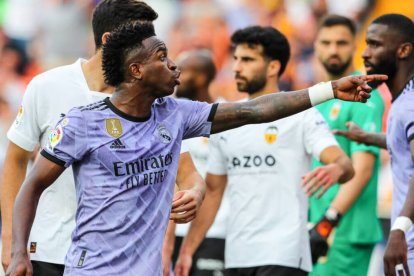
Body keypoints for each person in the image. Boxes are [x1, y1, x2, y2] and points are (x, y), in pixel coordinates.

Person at [6, 21, 385, 276]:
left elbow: (252, 110)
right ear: (136, 70)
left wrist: (328, 90)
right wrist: (19, 250)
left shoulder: (174, 115)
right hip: (90, 269)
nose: (175, 66)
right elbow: (31, 186)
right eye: (162, 57)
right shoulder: (81, 123)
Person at [0, 1, 204, 275]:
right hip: (47, 250)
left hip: (116, 262)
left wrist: (194, 193)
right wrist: (12, 242)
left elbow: (189, 176)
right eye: (139, 39)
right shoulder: (47, 86)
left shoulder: (154, 100)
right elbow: (15, 160)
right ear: (108, 41)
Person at [173, 25, 357, 276]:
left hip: (285, 253)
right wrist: (187, 250)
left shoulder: (302, 115)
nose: (237, 67)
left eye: (247, 59)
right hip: (236, 254)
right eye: (236, 59)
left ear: (273, 67)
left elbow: (345, 165)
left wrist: (336, 169)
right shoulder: (224, 119)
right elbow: (214, 193)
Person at [332, 14, 414, 276]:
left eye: (375, 45)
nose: (365, 54)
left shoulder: (409, 105)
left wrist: (399, 229)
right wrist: (369, 138)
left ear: (403, 50)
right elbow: (404, 147)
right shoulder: (404, 100)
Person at [308, 15, 385, 276]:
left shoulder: (363, 96)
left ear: (355, 47)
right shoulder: (315, 96)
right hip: (316, 224)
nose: (333, 50)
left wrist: (328, 222)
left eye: (341, 43)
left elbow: (362, 168)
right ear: (315, 46)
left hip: (343, 229)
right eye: (326, 42)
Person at [168, 49, 229, 275]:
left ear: (202, 77)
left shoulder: (227, 116)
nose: (176, 75)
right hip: (174, 229)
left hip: (216, 231)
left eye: (184, 71)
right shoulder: (172, 116)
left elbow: (217, 186)